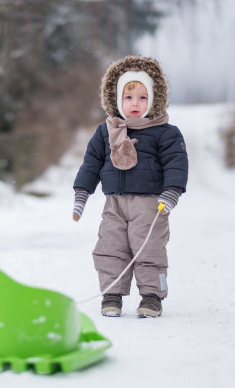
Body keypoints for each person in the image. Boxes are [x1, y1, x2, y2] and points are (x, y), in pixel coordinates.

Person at [72, 55, 188, 318]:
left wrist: (171, 192)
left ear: (154, 99)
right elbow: (91, 164)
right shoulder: (106, 132)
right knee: (110, 247)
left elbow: (176, 164)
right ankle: (111, 294)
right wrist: (82, 194)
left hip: (150, 203)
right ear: (116, 99)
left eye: (142, 98)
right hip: (114, 202)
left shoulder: (166, 133)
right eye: (128, 97)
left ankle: (151, 296)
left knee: (149, 249)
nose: (135, 104)